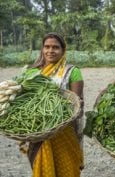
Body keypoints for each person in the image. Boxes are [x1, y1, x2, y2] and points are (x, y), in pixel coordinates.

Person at [20, 32, 84, 177]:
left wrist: (55, 115)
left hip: (64, 131)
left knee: (68, 169)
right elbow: (24, 100)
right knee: (43, 168)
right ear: (42, 49)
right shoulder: (32, 72)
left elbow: (77, 104)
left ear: (63, 50)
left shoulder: (72, 72)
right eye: (47, 47)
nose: (50, 51)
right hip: (39, 132)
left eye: (55, 47)